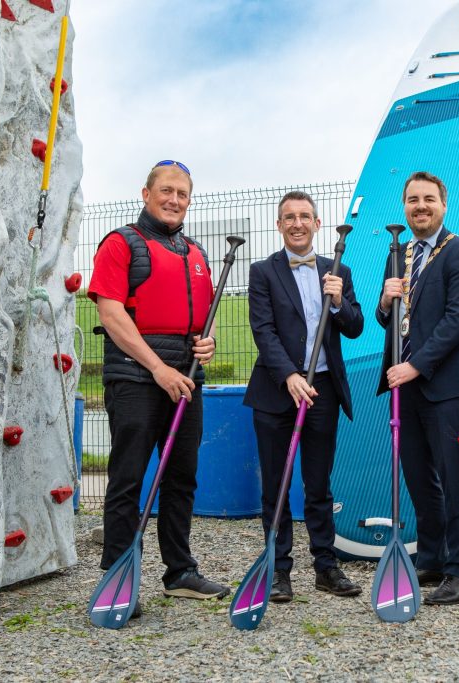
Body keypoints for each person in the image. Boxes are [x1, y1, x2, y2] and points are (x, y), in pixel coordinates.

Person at [88, 159, 230, 604]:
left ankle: (180, 572)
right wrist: (157, 368)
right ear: (146, 193)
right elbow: (111, 315)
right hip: (136, 375)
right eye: (166, 191)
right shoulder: (120, 244)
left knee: (182, 477)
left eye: (182, 194)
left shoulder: (197, 254)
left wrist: (205, 346)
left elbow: (198, 323)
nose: (173, 200)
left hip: (186, 378)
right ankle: (118, 576)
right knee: (128, 477)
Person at [244, 191, 365, 603]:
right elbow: (263, 330)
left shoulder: (338, 270)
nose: (297, 223)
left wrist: (337, 302)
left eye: (305, 217)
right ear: (279, 225)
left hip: (324, 391)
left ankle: (326, 566)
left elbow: (356, 326)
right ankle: (278, 570)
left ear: (317, 224)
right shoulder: (262, 271)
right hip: (277, 392)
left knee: (319, 483)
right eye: (289, 217)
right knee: (276, 484)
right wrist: (290, 374)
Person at [376, 171, 459, 605]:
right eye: (412, 200)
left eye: (428, 199)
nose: (420, 207)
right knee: (419, 478)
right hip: (406, 385)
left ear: (444, 204)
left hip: (448, 385)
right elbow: (389, 320)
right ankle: (433, 557)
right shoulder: (397, 252)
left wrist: (415, 367)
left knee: (453, 476)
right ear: (404, 206)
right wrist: (386, 300)